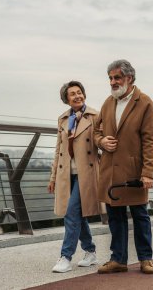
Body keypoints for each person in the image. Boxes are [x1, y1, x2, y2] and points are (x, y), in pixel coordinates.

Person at [94, 59, 153, 275]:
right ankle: (118, 260)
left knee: (140, 216)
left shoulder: (145, 102)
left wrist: (148, 173)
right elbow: (96, 131)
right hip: (111, 172)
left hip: (134, 172)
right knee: (115, 217)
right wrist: (101, 142)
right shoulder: (107, 103)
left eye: (117, 77)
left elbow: (150, 140)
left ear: (129, 78)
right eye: (110, 78)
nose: (112, 82)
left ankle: (145, 259)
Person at [48, 81, 100, 273]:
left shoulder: (95, 116)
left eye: (80, 92)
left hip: (86, 173)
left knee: (71, 213)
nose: (77, 96)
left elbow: (100, 141)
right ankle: (90, 252)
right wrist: (53, 177)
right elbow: (59, 149)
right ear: (66, 99)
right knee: (78, 214)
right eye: (73, 94)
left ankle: (66, 256)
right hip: (66, 174)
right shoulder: (63, 119)